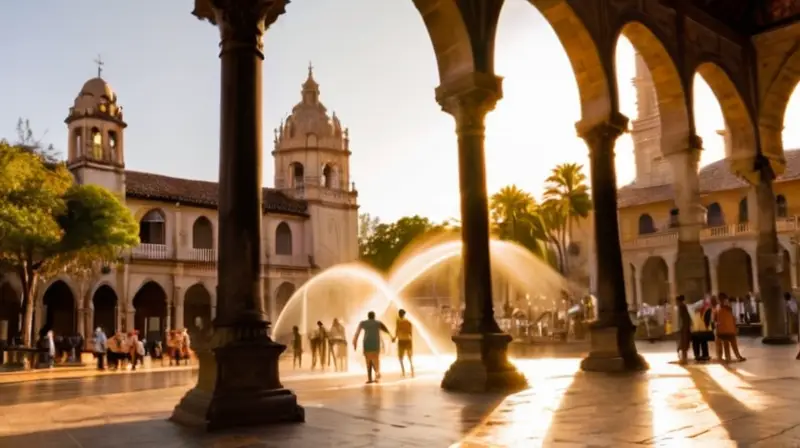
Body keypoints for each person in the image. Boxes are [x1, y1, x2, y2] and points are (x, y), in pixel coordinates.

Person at [352, 311, 393, 384]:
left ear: (368, 316)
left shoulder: (363, 323)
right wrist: (391, 336)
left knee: (368, 361)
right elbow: (385, 329)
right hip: (375, 344)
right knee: (376, 360)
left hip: (367, 343)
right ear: (374, 316)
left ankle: (370, 378)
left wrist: (355, 341)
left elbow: (357, 333)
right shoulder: (378, 323)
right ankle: (377, 374)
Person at [716, 293, 746, 362]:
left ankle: (728, 358)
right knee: (732, 344)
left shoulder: (720, 308)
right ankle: (737, 356)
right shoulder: (727, 307)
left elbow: (716, 319)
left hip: (723, 329)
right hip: (728, 328)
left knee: (727, 344)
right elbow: (732, 318)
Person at [395, 309, 415, 378]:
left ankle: (403, 372)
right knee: (410, 357)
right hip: (408, 340)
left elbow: (397, 330)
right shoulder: (408, 321)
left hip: (401, 340)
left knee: (400, 357)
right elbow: (410, 332)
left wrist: (395, 337)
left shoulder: (398, 321)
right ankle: (412, 371)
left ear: (399, 314)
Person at [676, 295, 692, 364]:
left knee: (683, 344)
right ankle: (684, 358)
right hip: (685, 327)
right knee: (683, 344)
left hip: (684, 328)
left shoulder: (682, 307)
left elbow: (684, 318)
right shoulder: (683, 306)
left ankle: (684, 359)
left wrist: (682, 327)